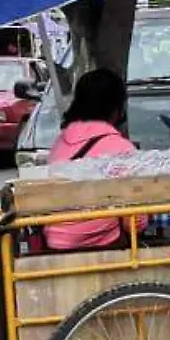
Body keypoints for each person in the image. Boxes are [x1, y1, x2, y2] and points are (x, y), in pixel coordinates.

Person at [44, 69, 141, 251]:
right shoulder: (121, 149)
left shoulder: (60, 143)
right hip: (101, 246)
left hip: (53, 242)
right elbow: (135, 223)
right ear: (117, 108)